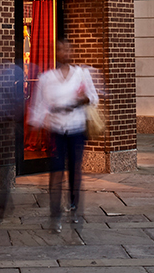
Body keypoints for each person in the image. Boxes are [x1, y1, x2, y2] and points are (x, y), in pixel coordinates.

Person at [26, 38, 98, 234]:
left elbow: (94, 97)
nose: (65, 52)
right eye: (61, 49)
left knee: (75, 170)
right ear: (56, 53)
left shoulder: (81, 74)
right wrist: (35, 126)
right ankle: (55, 213)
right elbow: (39, 105)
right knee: (56, 172)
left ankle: (74, 207)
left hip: (76, 128)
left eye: (68, 49)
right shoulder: (47, 78)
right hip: (56, 129)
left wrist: (84, 99)